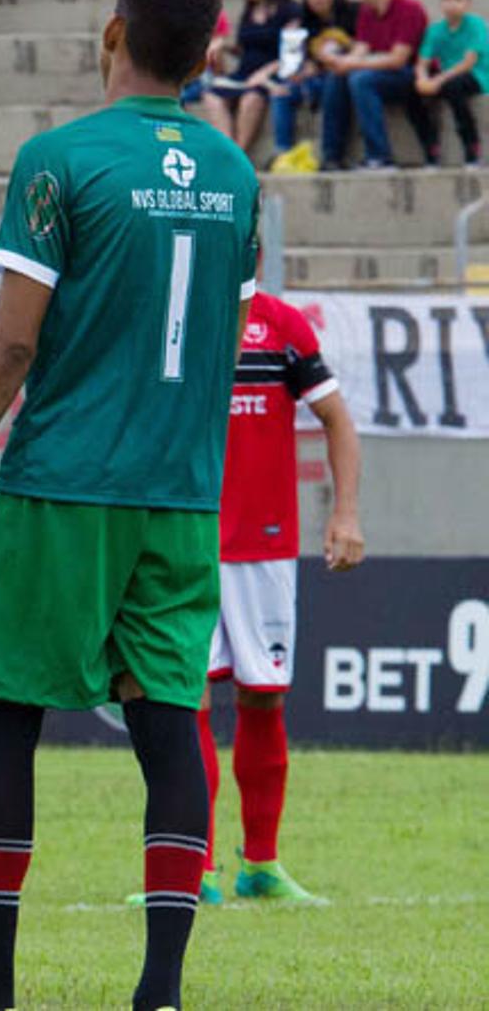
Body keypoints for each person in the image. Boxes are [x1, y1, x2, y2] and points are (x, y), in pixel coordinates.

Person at [0, 0, 261, 1011]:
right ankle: (159, 991)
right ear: (208, 54)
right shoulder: (236, 175)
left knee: (4, 713)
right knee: (166, 721)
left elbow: (9, 345)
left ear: (111, 34)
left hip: (64, 485)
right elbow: (225, 336)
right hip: (184, 494)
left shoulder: (60, 159)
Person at [176, 289, 364, 908]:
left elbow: (337, 418)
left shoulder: (282, 326)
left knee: (263, 695)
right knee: (186, 698)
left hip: (265, 545)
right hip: (186, 538)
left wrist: (345, 514)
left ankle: (260, 864)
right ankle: (194, 870)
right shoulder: (175, 308)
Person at [318, 0, 432, 170]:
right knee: (337, 77)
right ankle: (331, 155)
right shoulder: (367, 11)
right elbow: (361, 48)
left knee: (361, 79)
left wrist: (355, 65)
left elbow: (398, 59)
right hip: (379, 70)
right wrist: (341, 62)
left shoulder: (409, 8)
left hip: (409, 74)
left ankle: (380, 155)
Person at [196, 0, 302, 152]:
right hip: (245, 73)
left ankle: (240, 152)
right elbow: (245, 48)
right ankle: (228, 151)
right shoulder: (249, 11)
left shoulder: (289, 10)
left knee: (250, 98)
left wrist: (265, 73)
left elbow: (291, 53)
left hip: (271, 74)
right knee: (211, 95)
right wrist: (223, 46)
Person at [269, 0, 359, 162]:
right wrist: (290, 44)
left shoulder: (353, 13)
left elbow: (362, 48)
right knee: (282, 91)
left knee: (333, 83)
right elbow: (291, 69)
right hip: (313, 80)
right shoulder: (302, 22)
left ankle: (331, 156)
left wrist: (320, 64)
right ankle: (282, 151)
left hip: (344, 75)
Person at [413, 0, 489, 168]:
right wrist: (422, 78)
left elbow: (467, 63)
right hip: (447, 77)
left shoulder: (476, 24)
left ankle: (472, 147)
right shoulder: (435, 30)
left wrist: (437, 80)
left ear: (467, 3)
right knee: (411, 90)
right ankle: (431, 147)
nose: (451, 3)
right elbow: (423, 62)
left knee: (454, 86)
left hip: (477, 76)